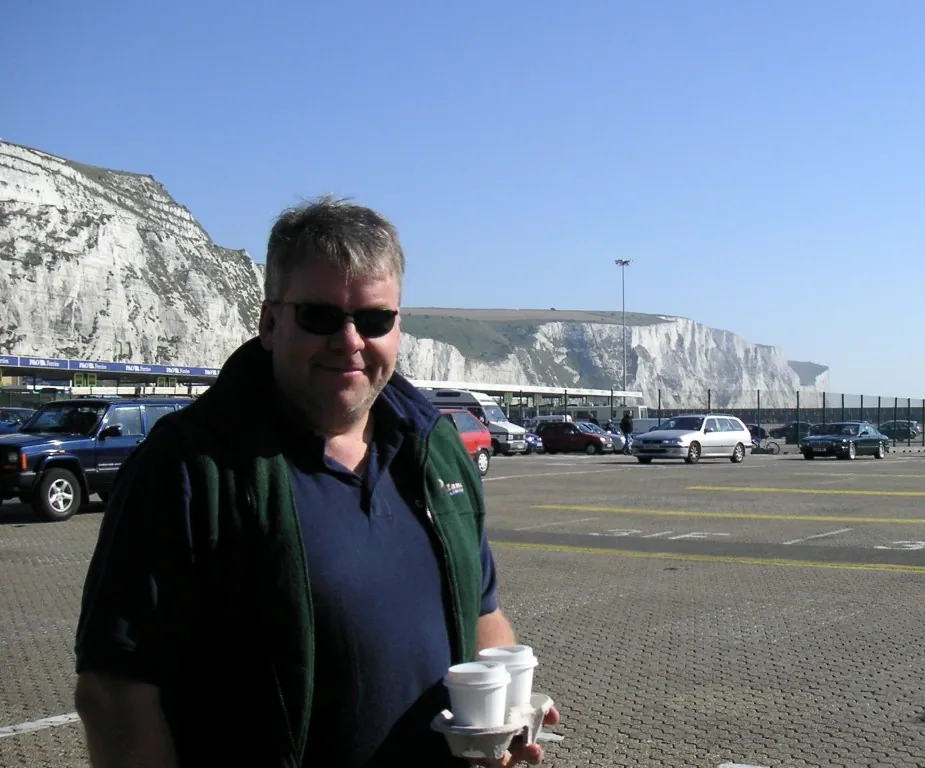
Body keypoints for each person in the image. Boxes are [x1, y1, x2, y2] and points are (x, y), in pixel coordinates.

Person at [73, 196, 559, 768]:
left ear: (398, 326)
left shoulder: (437, 453)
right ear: (270, 322)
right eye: (322, 316)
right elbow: (114, 694)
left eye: (375, 319)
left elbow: (482, 615)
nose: (350, 340)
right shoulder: (188, 466)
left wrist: (502, 714)